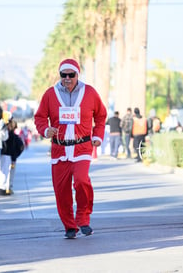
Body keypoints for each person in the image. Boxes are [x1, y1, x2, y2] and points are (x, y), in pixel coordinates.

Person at [34, 58, 107, 239]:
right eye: (63, 75)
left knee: (82, 181)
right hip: (59, 150)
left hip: (82, 146)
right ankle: (69, 225)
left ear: (77, 74)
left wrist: (97, 136)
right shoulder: (50, 94)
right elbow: (40, 117)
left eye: (71, 75)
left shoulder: (89, 92)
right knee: (61, 190)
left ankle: (83, 218)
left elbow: (101, 115)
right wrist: (45, 130)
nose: (67, 78)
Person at [0, 118, 24, 195]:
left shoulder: (4, 134)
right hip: (11, 157)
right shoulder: (14, 136)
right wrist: (16, 155)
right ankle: (7, 188)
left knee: (3, 172)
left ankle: (2, 188)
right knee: (9, 174)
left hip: (3, 155)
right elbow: (21, 147)